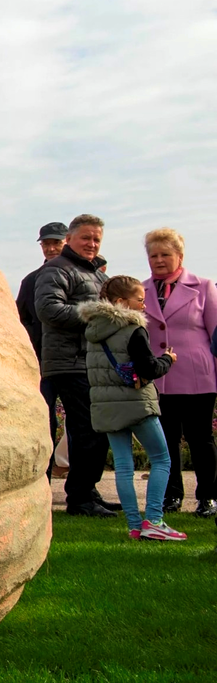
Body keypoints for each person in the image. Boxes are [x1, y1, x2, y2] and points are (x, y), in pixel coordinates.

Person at [82, 276, 185, 540]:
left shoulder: (94, 331)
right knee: (162, 459)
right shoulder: (133, 329)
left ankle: (135, 526)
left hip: (106, 407)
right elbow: (148, 368)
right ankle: (154, 520)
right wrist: (167, 359)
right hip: (137, 403)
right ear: (120, 302)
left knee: (124, 466)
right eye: (140, 299)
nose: (144, 305)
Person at [35, 214, 122, 517]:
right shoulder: (57, 270)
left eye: (97, 239)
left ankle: (87, 492)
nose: (92, 243)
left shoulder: (95, 273)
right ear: (69, 239)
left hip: (90, 361)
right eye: (86, 237)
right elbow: (48, 309)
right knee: (87, 430)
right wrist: (96, 314)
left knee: (94, 431)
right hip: (69, 362)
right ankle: (81, 500)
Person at [141, 228, 217, 517]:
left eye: (165, 255)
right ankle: (171, 496)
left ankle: (208, 496)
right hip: (158, 378)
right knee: (165, 440)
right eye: (153, 255)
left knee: (200, 439)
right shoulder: (141, 290)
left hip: (198, 376)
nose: (158, 260)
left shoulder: (204, 286)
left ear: (180, 256)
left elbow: (216, 334)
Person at [16, 222, 68, 478]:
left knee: (83, 425)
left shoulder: (79, 275)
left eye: (56, 243)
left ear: (67, 242)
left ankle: (83, 491)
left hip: (76, 361)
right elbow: (21, 318)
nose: (50, 248)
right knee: (44, 419)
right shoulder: (31, 281)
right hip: (42, 362)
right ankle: (42, 480)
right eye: (46, 244)